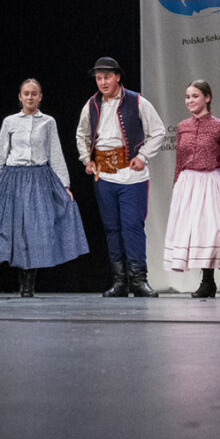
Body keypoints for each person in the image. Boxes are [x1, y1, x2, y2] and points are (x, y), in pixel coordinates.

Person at [0, 78, 89, 297]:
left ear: (40, 97)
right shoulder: (10, 122)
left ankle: (28, 286)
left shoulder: (48, 122)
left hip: (39, 179)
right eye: (26, 93)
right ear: (20, 97)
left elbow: (55, 154)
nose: (30, 97)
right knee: (16, 231)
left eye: (34, 93)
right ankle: (21, 283)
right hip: (13, 178)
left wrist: (65, 185)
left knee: (35, 231)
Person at [75, 56, 167, 298]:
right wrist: (86, 159)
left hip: (131, 175)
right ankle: (120, 281)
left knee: (133, 226)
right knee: (112, 228)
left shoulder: (137, 101)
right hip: (104, 175)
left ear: (117, 77)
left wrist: (143, 156)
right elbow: (82, 134)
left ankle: (139, 280)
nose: (102, 82)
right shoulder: (92, 105)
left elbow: (158, 132)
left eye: (106, 77)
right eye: (98, 78)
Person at [164, 80, 220, 298]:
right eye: (187, 96)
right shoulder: (182, 126)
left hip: (211, 183)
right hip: (188, 184)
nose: (190, 100)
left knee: (211, 235)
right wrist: (176, 187)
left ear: (207, 98)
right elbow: (179, 162)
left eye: (195, 96)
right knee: (195, 236)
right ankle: (208, 283)